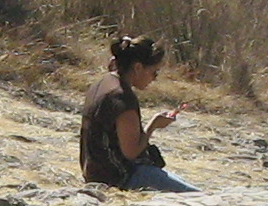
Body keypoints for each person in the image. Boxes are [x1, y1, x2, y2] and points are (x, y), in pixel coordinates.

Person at [80, 34, 196, 191]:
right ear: (138, 67)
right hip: (119, 178)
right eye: (154, 72)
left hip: (95, 172)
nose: (154, 79)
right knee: (198, 197)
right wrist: (154, 124)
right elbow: (131, 152)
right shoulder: (122, 98)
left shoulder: (104, 82)